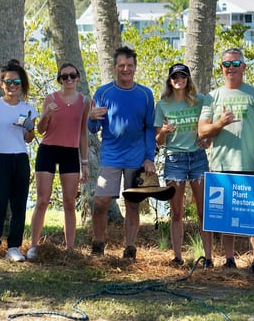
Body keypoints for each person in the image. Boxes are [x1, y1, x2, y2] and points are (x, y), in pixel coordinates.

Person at [198, 47, 254, 274]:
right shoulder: (212, 97)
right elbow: (202, 132)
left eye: (236, 64)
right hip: (221, 165)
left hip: (250, 164)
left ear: (244, 67)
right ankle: (229, 259)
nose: (231, 68)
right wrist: (220, 123)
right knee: (225, 216)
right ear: (221, 68)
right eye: (227, 64)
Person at [88, 46, 156, 259]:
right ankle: (98, 245)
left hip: (136, 157)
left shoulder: (145, 94)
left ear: (135, 68)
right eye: (121, 65)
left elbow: (150, 128)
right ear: (115, 67)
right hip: (111, 156)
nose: (126, 69)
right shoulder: (103, 93)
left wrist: (149, 158)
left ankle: (130, 248)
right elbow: (93, 129)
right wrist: (90, 117)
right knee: (100, 203)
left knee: (132, 204)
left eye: (130, 65)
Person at [0, 59, 38, 261]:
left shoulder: (28, 108)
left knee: (19, 204)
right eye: (8, 82)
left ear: (22, 85)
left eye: (16, 82)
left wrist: (30, 127)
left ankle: (13, 247)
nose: (12, 86)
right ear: (1, 84)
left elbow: (29, 139)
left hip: (19, 159)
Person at [27, 63, 90, 260]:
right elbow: (40, 130)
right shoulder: (51, 98)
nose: (68, 79)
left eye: (72, 75)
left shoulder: (85, 101)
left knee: (70, 202)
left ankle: (70, 248)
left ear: (78, 78)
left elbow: (82, 133)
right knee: (42, 200)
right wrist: (46, 114)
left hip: (70, 153)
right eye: (64, 77)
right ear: (60, 80)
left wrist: (85, 163)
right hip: (48, 150)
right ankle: (33, 245)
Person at [155, 63, 212, 266]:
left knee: (203, 211)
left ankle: (208, 257)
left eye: (182, 76)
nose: (178, 80)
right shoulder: (162, 104)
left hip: (198, 157)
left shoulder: (200, 100)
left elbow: (208, 128)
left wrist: (208, 139)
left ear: (188, 79)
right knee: (177, 211)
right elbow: (158, 141)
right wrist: (164, 132)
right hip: (174, 160)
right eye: (174, 77)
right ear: (170, 81)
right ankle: (177, 257)